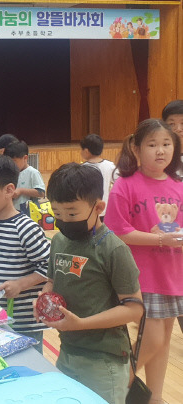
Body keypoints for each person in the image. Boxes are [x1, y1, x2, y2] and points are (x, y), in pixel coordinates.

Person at [39, 162, 143, 404]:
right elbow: (52, 280)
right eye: (57, 213)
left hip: (103, 361)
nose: (64, 220)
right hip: (67, 351)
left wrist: (82, 323)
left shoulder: (113, 249)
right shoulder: (59, 242)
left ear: (98, 207)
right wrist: (45, 297)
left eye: (72, 213)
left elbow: (135, 308)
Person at [104, 119, 183, 404]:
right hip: (142, 276)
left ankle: (155, 397)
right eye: (152, 145)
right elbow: (116, 231)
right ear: (136, 148)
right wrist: (159, 240)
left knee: (163, 342)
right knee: (154, 340)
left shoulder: (178, 185)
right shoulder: (125, 185)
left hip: (173, 275)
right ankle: (119, 382)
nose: (160, 151)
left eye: (166, 144)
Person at [0, 153, 50, 352]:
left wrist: (20, 284)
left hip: (23, 324)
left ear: (9, 190)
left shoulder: (25, 228)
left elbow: (51, 266)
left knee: (29, 373)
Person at [162, 100, 183, 333]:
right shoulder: (161, 163)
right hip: (170, 244)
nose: (178, 129)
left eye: (182, 123)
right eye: (172, 124)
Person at [80, 134, 116, 220]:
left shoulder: (82, 168)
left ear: (86, 151)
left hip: (88, 210)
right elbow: (120, 180)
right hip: (105, 209)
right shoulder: (110, 166)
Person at [4, 140, 45, 214]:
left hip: (29, 213)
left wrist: (21, 191)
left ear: (25, 158)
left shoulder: (32, 172)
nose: (11, 165)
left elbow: (41, 192)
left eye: (14, 161)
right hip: (13, 212)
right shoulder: (9, 173)